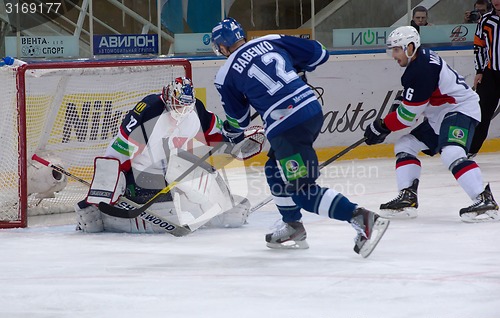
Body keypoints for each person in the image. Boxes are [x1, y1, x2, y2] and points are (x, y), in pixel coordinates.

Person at [210, 17, 390, 257]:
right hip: (311, 110)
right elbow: (320, 54)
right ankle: (292, 226)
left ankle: (361, 218)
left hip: (286, 126)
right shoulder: (270, 40)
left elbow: (239, 122)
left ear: (222, 47)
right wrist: (296, 68)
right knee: (274, 169)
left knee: (303, 192)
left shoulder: (225, 74)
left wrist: (229, 134)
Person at [75, 77, 257, 233]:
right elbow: (116, 155)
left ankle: (223, 208)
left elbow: (217, 136)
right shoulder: (148, 112)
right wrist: (101, 195)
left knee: (203, 172)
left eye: (186, 107)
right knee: (165, 205)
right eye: (178, 106)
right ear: (168, 99)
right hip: (141, 176)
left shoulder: (194, 110)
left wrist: (236, 142)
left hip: (173, 171)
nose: (182, 112)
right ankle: (100, 213)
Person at [364, 26, 499, 223]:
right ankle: (407, 198)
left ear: (410, 47)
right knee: (405, 145)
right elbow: (419, 96)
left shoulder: (421, 69)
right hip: (441, 114)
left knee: (452, 152)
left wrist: (381, 126)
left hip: (459, 109)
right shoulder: (421, 61)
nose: (393, 55)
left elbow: (407, 117)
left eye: (396, 50)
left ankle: (484, 200)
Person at [469, 0, 500, 156]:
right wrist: (479, 70)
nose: (497, 1)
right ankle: (470, 150)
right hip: (490, 74)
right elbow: (479, 46)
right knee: (481, 114)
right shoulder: (486, 19)